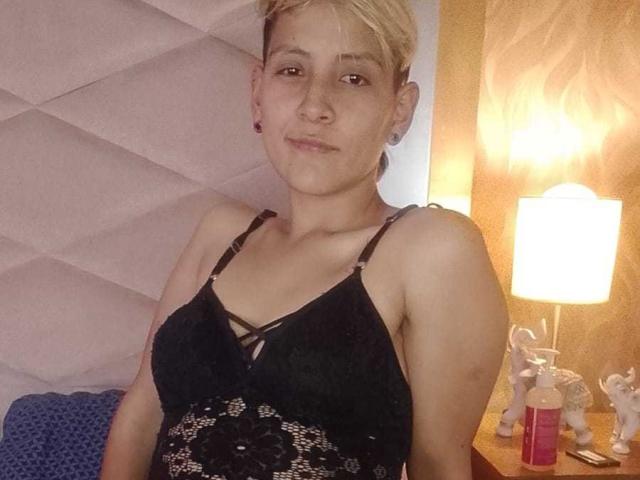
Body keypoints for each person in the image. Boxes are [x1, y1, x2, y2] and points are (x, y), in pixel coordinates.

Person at [99, 0, 509, 479]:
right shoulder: (221, 233)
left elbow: (438, 464)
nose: (315, 106)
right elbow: (140, 417)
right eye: (292, 70)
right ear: (258, 92)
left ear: (400, 109)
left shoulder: (431, 249)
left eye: (354, 78)